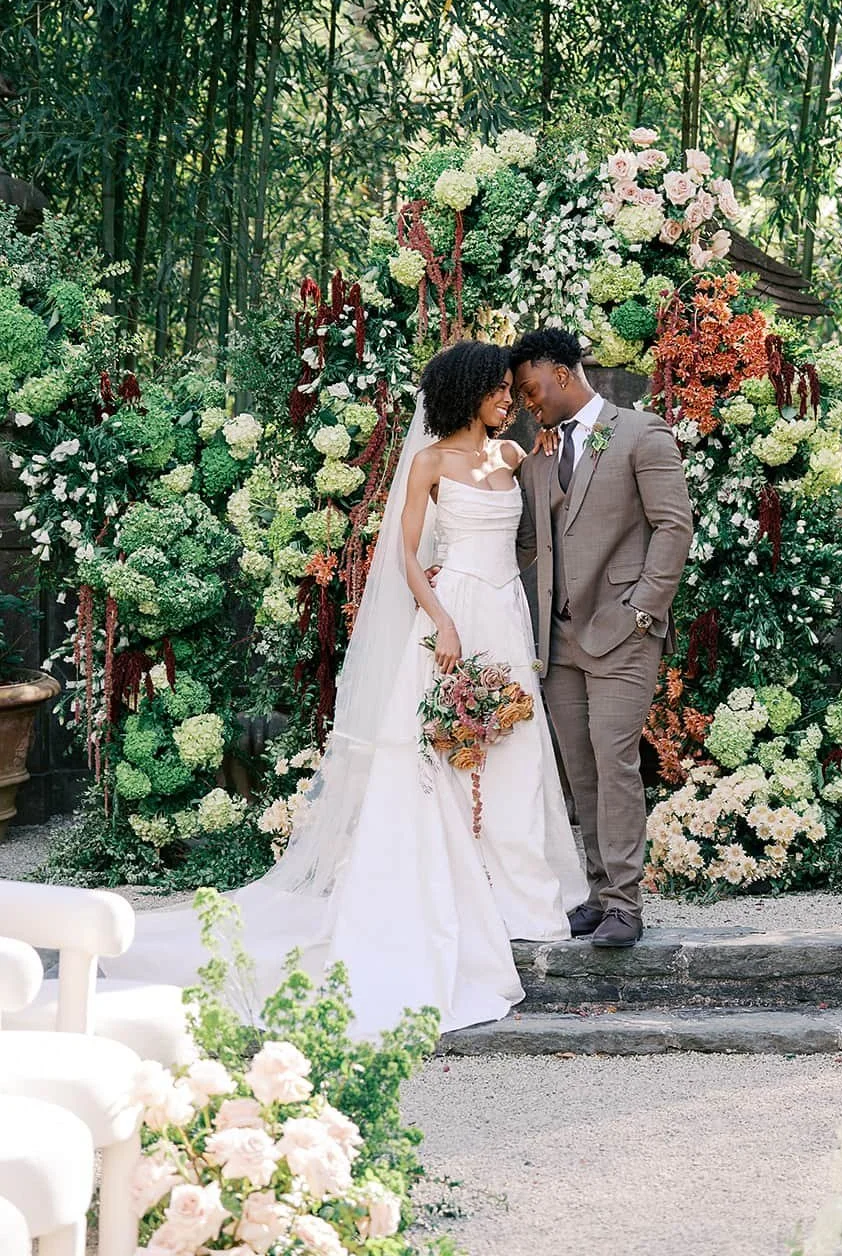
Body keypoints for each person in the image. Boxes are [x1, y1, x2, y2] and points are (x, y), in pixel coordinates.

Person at [108, 340, 585, 1036]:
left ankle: (518, 895)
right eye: (497, 390)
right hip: (453, 614)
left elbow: (539, 532)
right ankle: (456, 894)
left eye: (511, 390)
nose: (508, 399)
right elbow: (408, 558)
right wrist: (443, 622)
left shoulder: (514, 456)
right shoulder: (429, 463)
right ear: (467, 392)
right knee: (441, 758)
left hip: (506, 616)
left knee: (512, 750)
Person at [511, 327, 694, 948]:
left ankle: (624, 904)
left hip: (623, 633)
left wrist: (643, 610)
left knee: (614, 761)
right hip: (558, 640)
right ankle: (597, 893)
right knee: (581, 769)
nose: (526, 401)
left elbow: (673, 526)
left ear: (561, 374)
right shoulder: (538, 456)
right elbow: (529, 542)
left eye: (530, 388)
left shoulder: (640, 433)